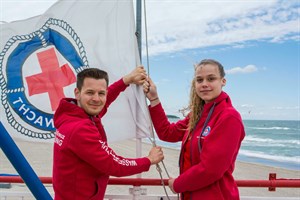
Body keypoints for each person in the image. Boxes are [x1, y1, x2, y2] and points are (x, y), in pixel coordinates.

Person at [52, 66, 164, 200]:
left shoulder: (74, 115)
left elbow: (103, 101)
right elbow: (114, 164)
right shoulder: (80, 128)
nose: (96, 98)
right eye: (89, 92)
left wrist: (125, 81)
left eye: (101, 93)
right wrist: (149, 160)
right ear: (77, 93)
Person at [143, 59, 245, 199]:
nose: (204, 84)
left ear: (223, 81)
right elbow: (167, 133)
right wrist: (154, 99)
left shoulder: (229, 117)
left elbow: (211, 169)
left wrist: (178, 184)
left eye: (211, 79)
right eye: (199, 80)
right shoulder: (197, 115)